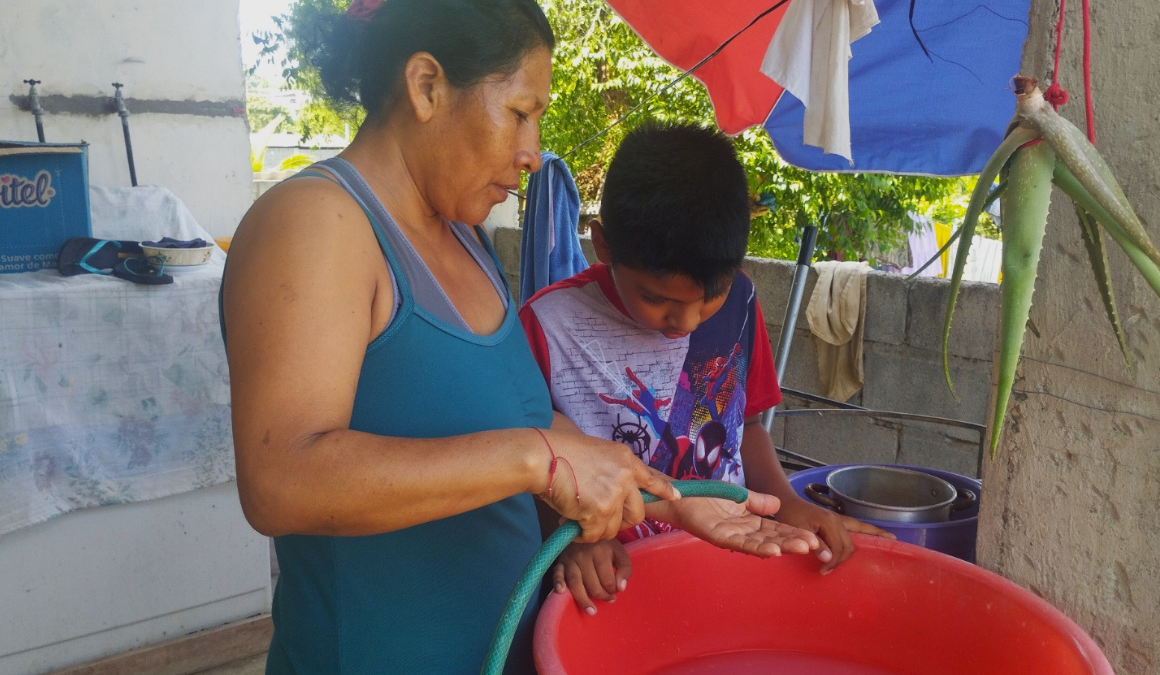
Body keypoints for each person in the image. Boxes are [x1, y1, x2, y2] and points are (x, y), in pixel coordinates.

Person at [219, 2, 820, 674]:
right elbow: (280, 480)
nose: (534, 152)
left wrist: (669, 502)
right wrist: (538, 460)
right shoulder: (317, 222)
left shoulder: (463, 239)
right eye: (520, 112)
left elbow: (529, 422)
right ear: (426, 86)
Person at [519, 121, 893, 615]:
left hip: (727, 561)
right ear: (603, 243)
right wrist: (575, 543)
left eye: (707, 298)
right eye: (656, 298)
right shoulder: (547, 325)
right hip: (613, 579)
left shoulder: (740, 300)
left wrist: (787, 502)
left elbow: (749, 424)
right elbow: (529, 461)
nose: (685, 321)